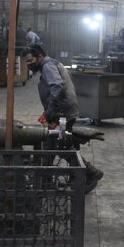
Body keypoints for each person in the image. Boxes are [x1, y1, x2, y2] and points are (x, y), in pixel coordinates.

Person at [22, 44, 103, 193]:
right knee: (50, 145)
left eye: (30, 60)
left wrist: (51, 109)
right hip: (60, 112)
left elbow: (57, 86)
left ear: (39, 56)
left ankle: (91, 172)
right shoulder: (53, 64)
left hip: (61, 114)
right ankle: (46, 181)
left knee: (61, 146)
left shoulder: (48, 66)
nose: (29, 64)